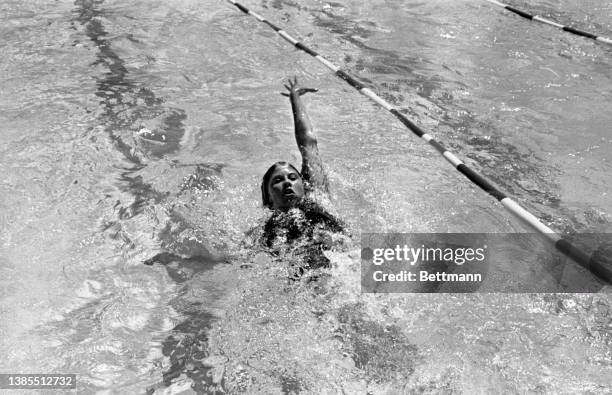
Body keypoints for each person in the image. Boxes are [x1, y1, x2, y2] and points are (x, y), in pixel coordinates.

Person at [259, 77, 347, 274]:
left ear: (303, 183)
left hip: (341, 269)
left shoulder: (317, 195)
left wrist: (295, 97)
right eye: (278, 181)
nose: (288, 183)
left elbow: (308, 142)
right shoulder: (265, 231)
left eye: (292, 178)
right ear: (269, 199)